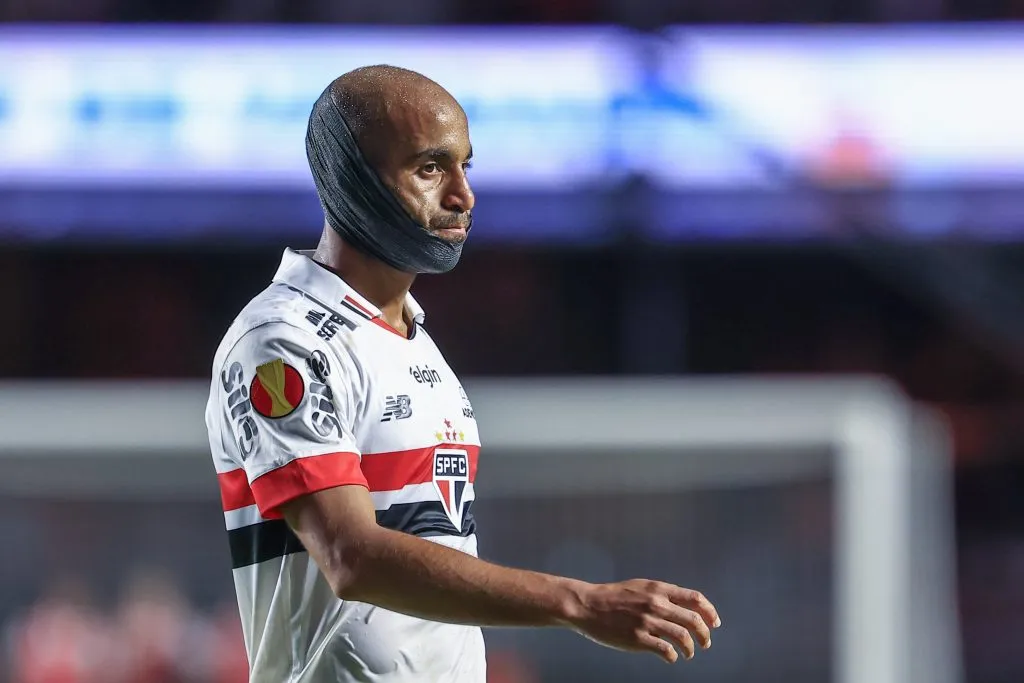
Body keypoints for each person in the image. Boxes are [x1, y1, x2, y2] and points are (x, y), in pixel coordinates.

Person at [205, 65, 720, 683]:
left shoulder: (414, 341)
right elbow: (352, 557)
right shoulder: (282, 342)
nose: (463, 196)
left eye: (464, 167)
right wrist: (579, 603)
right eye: (429, 169)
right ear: (351, 180)